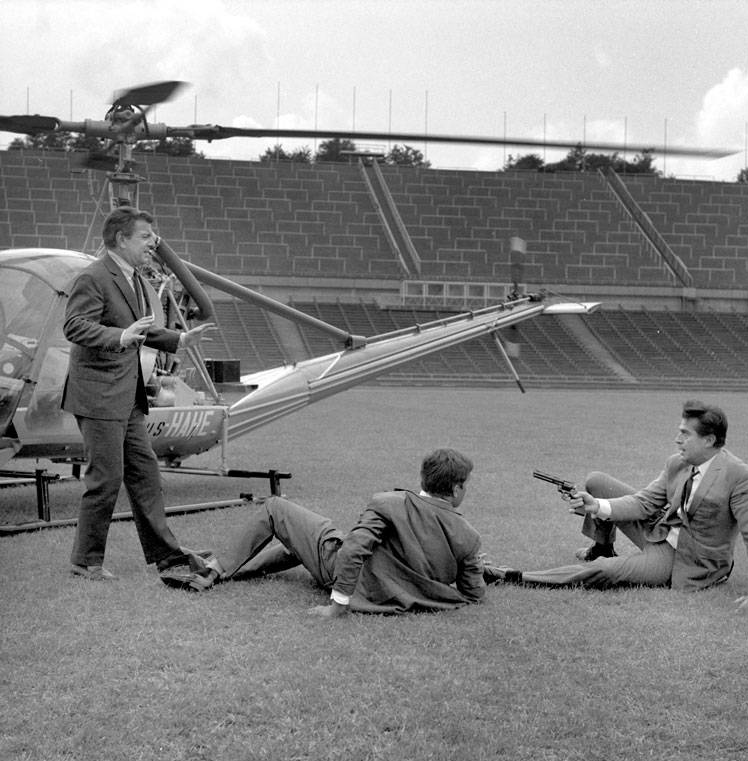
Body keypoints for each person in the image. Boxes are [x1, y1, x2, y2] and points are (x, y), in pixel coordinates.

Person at [485, 400, 748, 609]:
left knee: (606, 570)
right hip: (660, 532)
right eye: (679, 431)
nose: (677, 439)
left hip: (685, 559)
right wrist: (595, 505)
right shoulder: (678, 463)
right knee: (597, 482)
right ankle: (602, 545)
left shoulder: (740, 477)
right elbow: (644, 502)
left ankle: (513, 575)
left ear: (709, 440)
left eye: (685, 434)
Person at [61, 207, 214, 582]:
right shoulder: (93, 276)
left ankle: (166, 555)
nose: (154, 244)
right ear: (120, 239)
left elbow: (138, 329)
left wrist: (178, 339)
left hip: (125, 398)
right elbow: (74, 325)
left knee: (145, 474)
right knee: (106, 479)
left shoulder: (130, 277)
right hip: (99, 397)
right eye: (146, 237)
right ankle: (85, 562)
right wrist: (119, 337)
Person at [179, 448, 486, 617]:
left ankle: (214, 569)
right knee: (299, 543)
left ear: (423, 477)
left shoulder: (388, 502)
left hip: (343, 573)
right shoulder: (468, 536)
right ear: (457, 488)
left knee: (275, 508)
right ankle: (225, 570)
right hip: (375, 583)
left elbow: (352, 551)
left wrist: (338, 606)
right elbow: (473, 594)